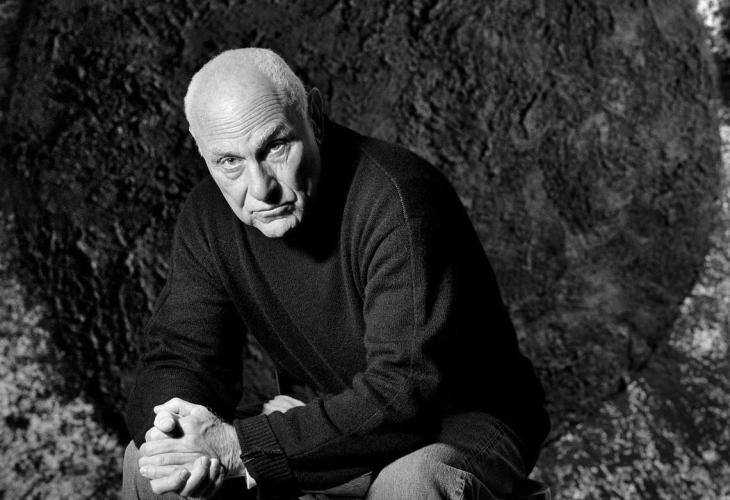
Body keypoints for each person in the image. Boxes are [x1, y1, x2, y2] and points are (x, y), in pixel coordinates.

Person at [123, 47, 550, 500]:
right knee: (151, 467)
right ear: (203, 153)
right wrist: (172, 436)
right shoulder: (207, 219)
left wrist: (243, 447)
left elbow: (407, 391)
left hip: (463, 419)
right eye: (229, 162)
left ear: (315, 118)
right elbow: (179, 356)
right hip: (335, 415)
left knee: (410, 486)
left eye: (275, 147)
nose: (260, 188)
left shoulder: (401, 201)